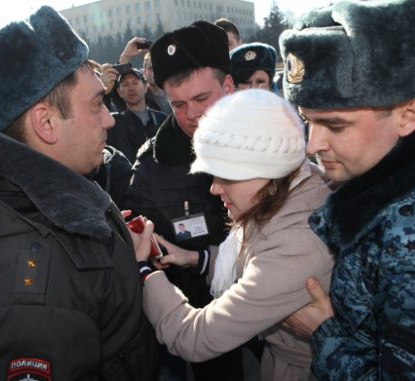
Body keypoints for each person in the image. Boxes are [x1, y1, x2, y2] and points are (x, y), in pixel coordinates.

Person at [0, 6, 157, 380]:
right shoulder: (29, 297)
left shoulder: (45, 193)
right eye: (96, 104)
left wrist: (117, 255)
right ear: (46, 123)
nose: (109, 118)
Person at [135, 89, 335, 380]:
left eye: (226, 175)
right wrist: (193, 258)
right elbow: (257, 266)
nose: (214, 188)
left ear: (270, 172)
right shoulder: (291, 194)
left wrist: (144, 272)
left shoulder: (298, 241)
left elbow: (193, 337)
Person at [278, 0, 415, 379]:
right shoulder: (374, 195)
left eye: (335, 126)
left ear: (407, 115)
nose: (312, 145)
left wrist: (325, 335)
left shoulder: (407, 240)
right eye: (307, 122)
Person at [123, 20, 244, 381]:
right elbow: (147, 243)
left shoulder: (268, 141)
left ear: (228, 85)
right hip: (202, 312)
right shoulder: (149, 168)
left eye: (202, 99)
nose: (192, 115)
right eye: (178, 104)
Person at [107, 68, 167, 163]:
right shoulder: (115, 122)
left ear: (145, 87)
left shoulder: (162, 119)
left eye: (135, 83)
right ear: (119, 92)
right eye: (125, 85)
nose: (131, 88)